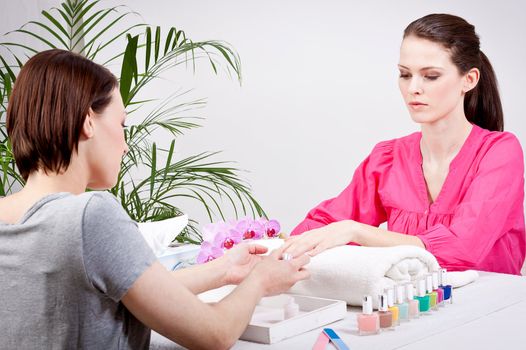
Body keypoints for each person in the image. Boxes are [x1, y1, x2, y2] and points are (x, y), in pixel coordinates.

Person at [0, 49, 310, 349]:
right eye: (122, 124)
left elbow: (134, 287)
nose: (124, 145)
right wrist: (259, 282)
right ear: (88, 122)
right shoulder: (90, 216)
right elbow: (215, 335)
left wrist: (224, 270)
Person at [284, 13, 525, 275]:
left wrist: (355, 230)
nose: (413, 88)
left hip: (490, 310)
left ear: (469, 79)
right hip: (415, 310)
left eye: (431, 76)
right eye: (405, 74)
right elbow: (326, 222)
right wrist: (277, 248)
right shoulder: (388, 158)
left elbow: (462, 250)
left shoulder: (499, 152)